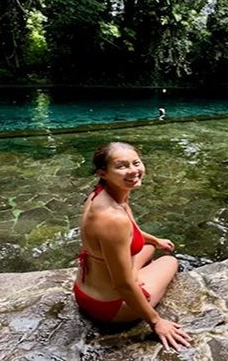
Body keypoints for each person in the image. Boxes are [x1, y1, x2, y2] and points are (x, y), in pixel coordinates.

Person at [73, 142, 191, 351]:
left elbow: (131, 233)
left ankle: (141, 270)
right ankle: (139, 290)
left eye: (136, 163)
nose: (133, 171)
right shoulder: (113, 219)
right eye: (121, 166)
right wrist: (156, 322)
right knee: (169, 261)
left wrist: (154, 240)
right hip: (108, 307)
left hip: (86, 288)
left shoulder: (101, 194)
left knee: (150, 247)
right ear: (103, 173)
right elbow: (122, 285)